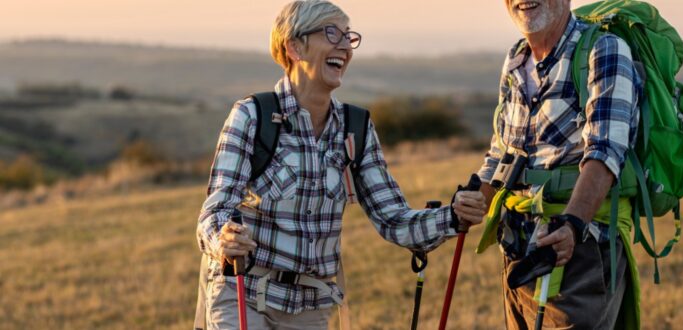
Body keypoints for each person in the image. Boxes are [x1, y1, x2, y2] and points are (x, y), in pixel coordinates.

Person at [194, 1, 486, 329]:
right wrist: (224, 238)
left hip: (311, 306)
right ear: (294, 46)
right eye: (332, 33)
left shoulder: (355, 128)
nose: (345, 46)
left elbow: (394, 221)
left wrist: (453, 216)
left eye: (349, 37)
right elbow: (214, 212)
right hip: (242, 295)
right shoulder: (251, 116)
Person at [474, 0, 641, 329]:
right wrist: (470, 199)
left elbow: (605, 153)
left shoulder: (603, 50)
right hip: (519, 250)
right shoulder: (516, 58)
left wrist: (572, 225)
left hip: (581, 250)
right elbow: (503, 152)